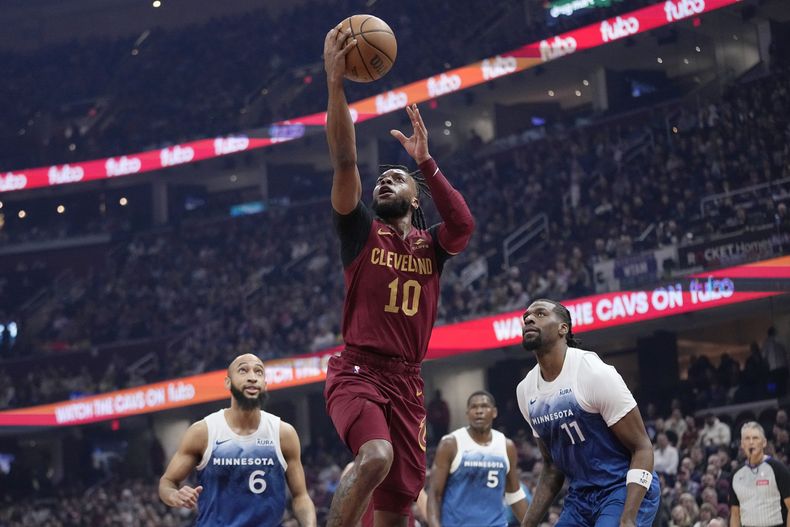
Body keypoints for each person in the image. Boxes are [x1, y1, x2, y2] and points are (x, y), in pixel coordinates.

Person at [322, 23, 475, 527]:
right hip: (358, 371)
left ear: (415, 198)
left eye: (396, 178)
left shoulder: (433, 247)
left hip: (408, 383)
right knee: (375, 457)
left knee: (396, 512)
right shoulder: (361, 232)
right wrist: (336, 84)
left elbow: (463, 225)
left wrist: (425, 162)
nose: (384, 181)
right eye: (381, 179)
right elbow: (345, 161)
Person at [515, 299, 659, 526]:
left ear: (563, 328)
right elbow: (552, 467)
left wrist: (628, 518)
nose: (529, 319)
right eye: (526, 317)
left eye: (540, 314)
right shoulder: (525, 391)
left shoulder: (592, 373)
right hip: (580, 497)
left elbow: (642, 448)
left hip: (622, 486)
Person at [158, 354, 316, 527]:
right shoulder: (203, 432)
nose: (252, 377)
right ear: (228, 382)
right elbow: (167, 482)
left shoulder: (283, 434)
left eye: (258, 372)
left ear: (265, 385)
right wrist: (174, 495)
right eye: (243, 370)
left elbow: (301, 497)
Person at [427, 390, 527, 527]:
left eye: (484, 406)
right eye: (474, 407)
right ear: (467, 413)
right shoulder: (450, 444)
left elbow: (514, 495)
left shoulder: (507, 446)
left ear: (494, 412)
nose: (479, 411)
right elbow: (434, 494)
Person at [729, 421, 790, 527]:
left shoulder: (778, 469)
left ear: (764, 442)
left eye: (755, 438)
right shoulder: (735, 474)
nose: (751, 442)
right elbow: (735, 514)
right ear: (742, 444)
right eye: (747, 438)